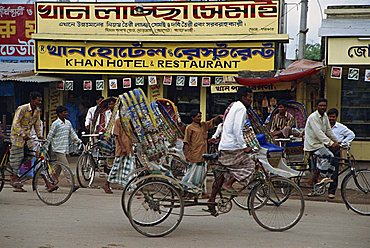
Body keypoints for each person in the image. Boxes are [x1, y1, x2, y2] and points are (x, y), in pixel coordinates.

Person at [206, 87, 256, 214]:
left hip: (225, 145)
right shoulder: (241, 108)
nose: (251, 100)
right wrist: (244, 146)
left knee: (221, 175)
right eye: (249, 97)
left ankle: (212, 200)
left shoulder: (233, 106)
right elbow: (236, 129)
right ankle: (229, 184)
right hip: (231, 147)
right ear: (244, 97)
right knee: (250, 164)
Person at [182, 110, 222, 195]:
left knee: (202, 174)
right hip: (195, 154)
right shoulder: (189, 128)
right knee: (192, 173)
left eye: (200, 116)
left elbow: (212, 122)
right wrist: (186, 154)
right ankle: (185, 188)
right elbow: (186, 142)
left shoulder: (203, 125)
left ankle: (200, 191)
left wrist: (219, 117)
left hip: (203, 154)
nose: (200, 118)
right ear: (193, 118)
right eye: (198, 117)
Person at [9, 91, 43, 192]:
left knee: (29, 157)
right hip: (17, 137)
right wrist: (22, 134)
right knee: (17, 158)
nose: (40, 102)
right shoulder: (22, 109)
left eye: (41, 100)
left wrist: (40, 136)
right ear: (32, 100)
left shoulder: (37, 111)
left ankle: (19, 175)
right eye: (38, 100)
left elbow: (37, 125)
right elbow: (15, 124)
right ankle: (13, 177)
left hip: (28, 138)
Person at [304, 98, 339, 189]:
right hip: (312, 145)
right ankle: (321, 177)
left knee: (332, 158)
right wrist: (330, 143)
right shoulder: (313, 117)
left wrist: (337, 141)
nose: (323, 107)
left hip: (320, 144)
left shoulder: (325, 116)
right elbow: (318, 132)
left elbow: (328, 131)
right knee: (328, 155)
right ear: (316, 106)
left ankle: (318, 177)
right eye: (320, 105)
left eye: (324, 105)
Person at [45, 106, 82, 192]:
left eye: (66, 112)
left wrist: (78, 141)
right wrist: (46, 146)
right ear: (59, 114)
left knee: (58, 168)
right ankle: (72, 184)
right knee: (66, 167)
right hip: (58, 149)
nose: (66, 114)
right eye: (64, 112)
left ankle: (50, 181)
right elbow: (50, 136)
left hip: (65, 148)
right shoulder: (56, 124)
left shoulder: (68, 123)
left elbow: (72, 133)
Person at [327, 108, 355, 199]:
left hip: (335, 150)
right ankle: (316, 189)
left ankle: (332, 191)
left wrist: (342, 144)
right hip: (325, 149)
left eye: (333, 117)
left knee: (334, 172)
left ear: (336, 117)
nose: (331, 118)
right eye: (330, 117)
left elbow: (351, 135)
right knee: (320, 170)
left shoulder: (340, 127)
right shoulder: (325, 126)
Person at [104, 117, 135, 194]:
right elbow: (117, 135)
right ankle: (107, 183)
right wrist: (123, 147)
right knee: (116, 168)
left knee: (131, 169)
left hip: (129, 148)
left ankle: (131, 188)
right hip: (121, 149)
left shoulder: (130, 120)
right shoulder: (118, 121)